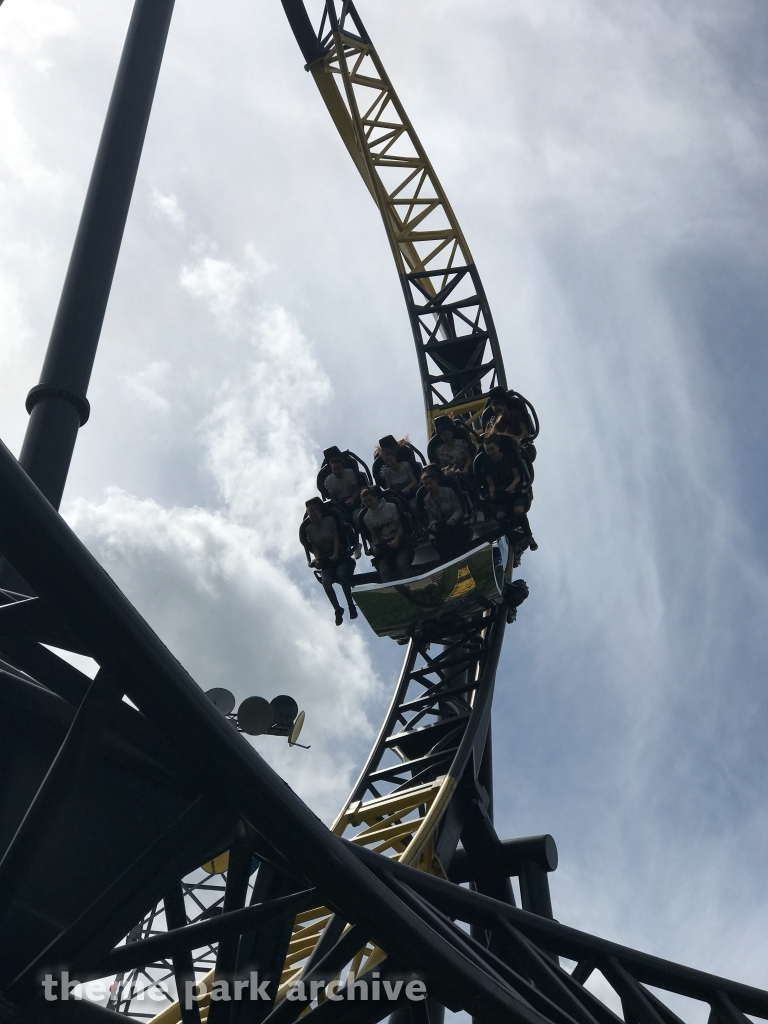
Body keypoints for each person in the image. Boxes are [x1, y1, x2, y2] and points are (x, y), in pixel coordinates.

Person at [482, 435, 537, 559]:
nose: (491, 452)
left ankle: (529, 536)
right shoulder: (487, 466)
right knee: (500, 516)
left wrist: (511, 487)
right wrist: (492, 493)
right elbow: (490, 485)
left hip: (515, 492)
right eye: (488, 450)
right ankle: (513, 543)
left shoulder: (509, 458)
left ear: (498, 447)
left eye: (492, 449)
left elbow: (517, 477)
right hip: (500, 497)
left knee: (517, 510)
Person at [304, 498, 357, 625]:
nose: (314, 519)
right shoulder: (309, 529)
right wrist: (317, 559)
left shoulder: (330, 520)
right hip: (326, 560)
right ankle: (338, 609)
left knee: (341, 575)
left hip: (339, 556)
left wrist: (335, 553)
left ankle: (351, 605)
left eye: (316, 516)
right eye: (312, 517)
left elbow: (336, 538)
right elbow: (314, 547)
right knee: (326, 582)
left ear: (320, 514)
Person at [360, 486, 412, 583]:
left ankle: (414, 584)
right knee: (383, 572)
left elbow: (400, 527)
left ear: (376, 497)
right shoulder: (366, 517)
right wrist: (374, 546)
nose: (368, 504)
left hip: (400, 543)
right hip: (384, 548)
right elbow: (374, 536)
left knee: (402, 564)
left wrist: (396, 540)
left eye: (370, 500)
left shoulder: (391, 507)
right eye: (365, 502)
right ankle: (394, 591)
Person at [421, 465, 471, 560]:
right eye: (426, 485)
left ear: (436, 481)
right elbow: (431, 517)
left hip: (455, 523)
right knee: (440, 543)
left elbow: (459, 509)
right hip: (441, 528)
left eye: (430, 483)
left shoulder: (449, 492)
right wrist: (434, 525)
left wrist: (452, 519)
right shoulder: (426, 500)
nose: (428, 486)